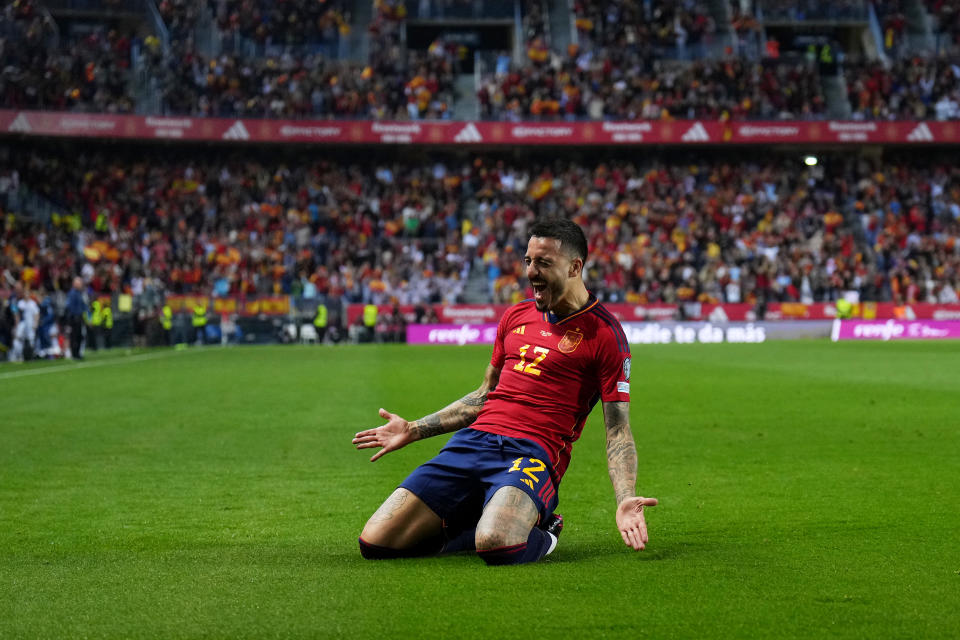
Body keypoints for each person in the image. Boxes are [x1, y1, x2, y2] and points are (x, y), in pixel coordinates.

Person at [352, 218, 657, 565]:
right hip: (473, 443)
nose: (531, 272)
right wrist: (413, 429)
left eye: (544, 263)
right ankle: (473, 523)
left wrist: (624, 498)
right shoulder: (515, 316)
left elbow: (617, 429)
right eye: (528, 261)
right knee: (376, 543)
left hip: (531, 454)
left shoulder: (605, 334)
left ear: (575, 267)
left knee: (498, 546)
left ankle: (545, 528)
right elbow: (484, 396)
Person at [65, 277, 88, 360]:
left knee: (79, 336)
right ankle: (75, 353)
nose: (81, 285)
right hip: (74, 318)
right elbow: (69, 307)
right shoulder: (72, 293)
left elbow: (83, 306)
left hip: (79, 317)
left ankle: (77, 353)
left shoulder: (79, 293)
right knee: (74, 336)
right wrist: (72, 317)